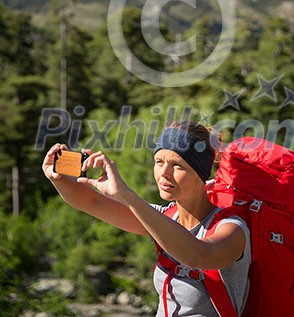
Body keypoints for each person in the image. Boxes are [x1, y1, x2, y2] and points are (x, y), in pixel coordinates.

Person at [42, 120, 251, 316]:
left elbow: (198, 255)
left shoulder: (231, 229)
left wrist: (127, 195)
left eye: (177, 165)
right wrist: (59, 179)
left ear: (201, 172)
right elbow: (92, 203)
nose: (164, 173)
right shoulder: (165, 217)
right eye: (159, 162)